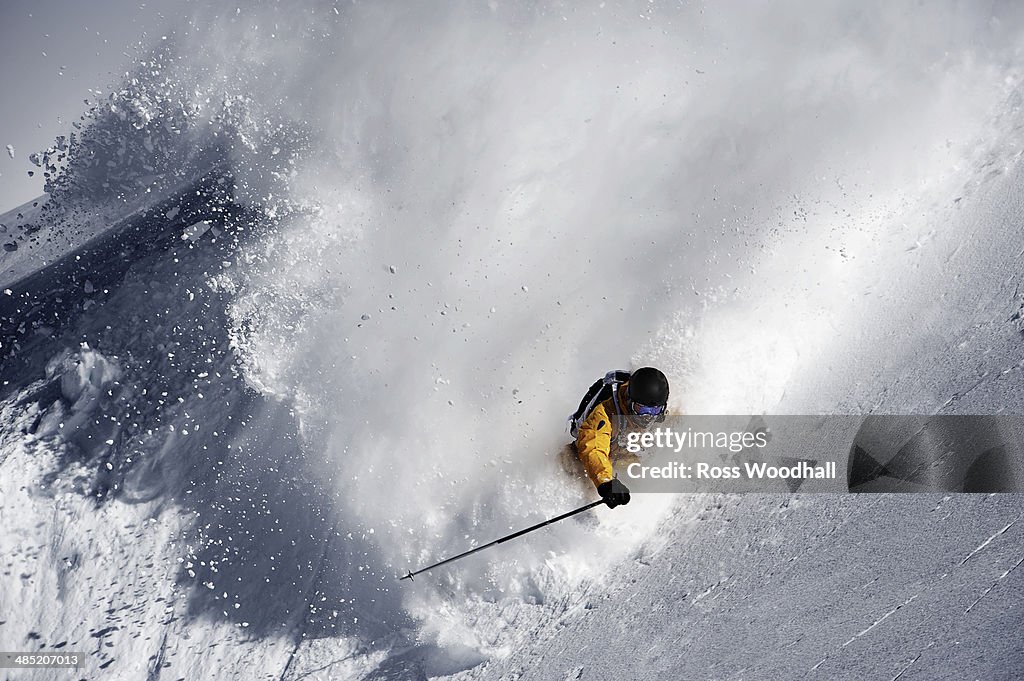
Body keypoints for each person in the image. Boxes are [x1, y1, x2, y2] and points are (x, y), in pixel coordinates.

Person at [572, 367, 670, 508]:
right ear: (630, 401)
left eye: (654, 410)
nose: (648, 417)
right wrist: (606, 483)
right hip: (590, 461)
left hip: (622, 456)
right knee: (571, 462)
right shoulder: (604, 413)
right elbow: (593, 448)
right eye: (641, 410)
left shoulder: (660, 414)